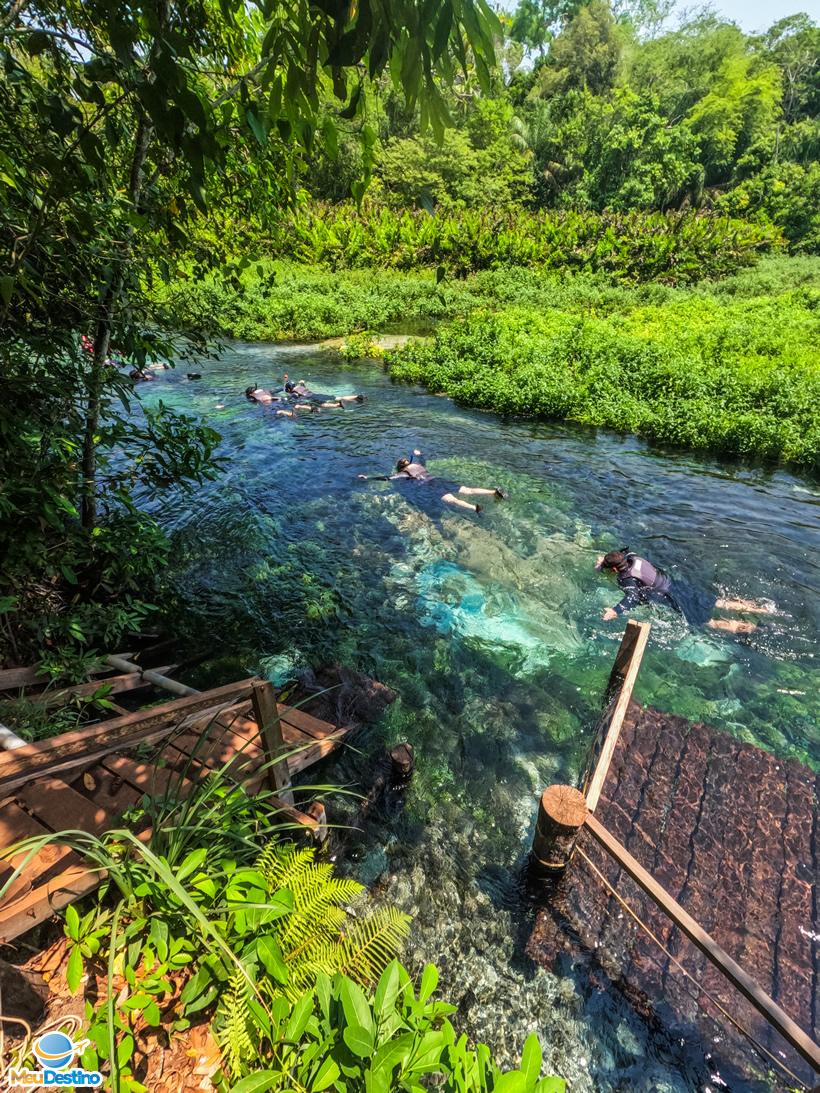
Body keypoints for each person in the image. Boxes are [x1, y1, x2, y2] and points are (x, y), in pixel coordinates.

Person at [595, 548, 775, 634]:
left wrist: (615, 611)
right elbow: (621, 554)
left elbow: (632, 597)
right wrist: (604, 561)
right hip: (677, 585)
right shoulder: (632, 557)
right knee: (718, 602)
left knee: (708, 622)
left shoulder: (626, 578)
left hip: (673, 597)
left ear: (615, 570)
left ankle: (755, 628)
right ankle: (763, 610)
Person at [358, 449, 507, 514]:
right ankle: (494, 492)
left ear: (400, 467)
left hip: (430, 485)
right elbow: (423, 459)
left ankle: (474, 508)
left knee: (453, 501)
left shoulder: (403, 473)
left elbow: (386, 478)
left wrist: (368, 477)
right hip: (438, 479)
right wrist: (420, 454)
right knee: (468, 490)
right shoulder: (418, 465)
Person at [282, 373, 365, 406]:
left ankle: (338, 405)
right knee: (338, 397)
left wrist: (282, 400)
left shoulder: (294, 393)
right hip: (316, 395)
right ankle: (356, 396)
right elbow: (302, 384)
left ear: (289, 389)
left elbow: (291, 398)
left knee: (322, 405)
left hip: (313, 398)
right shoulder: (301, 386)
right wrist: (302, 382)